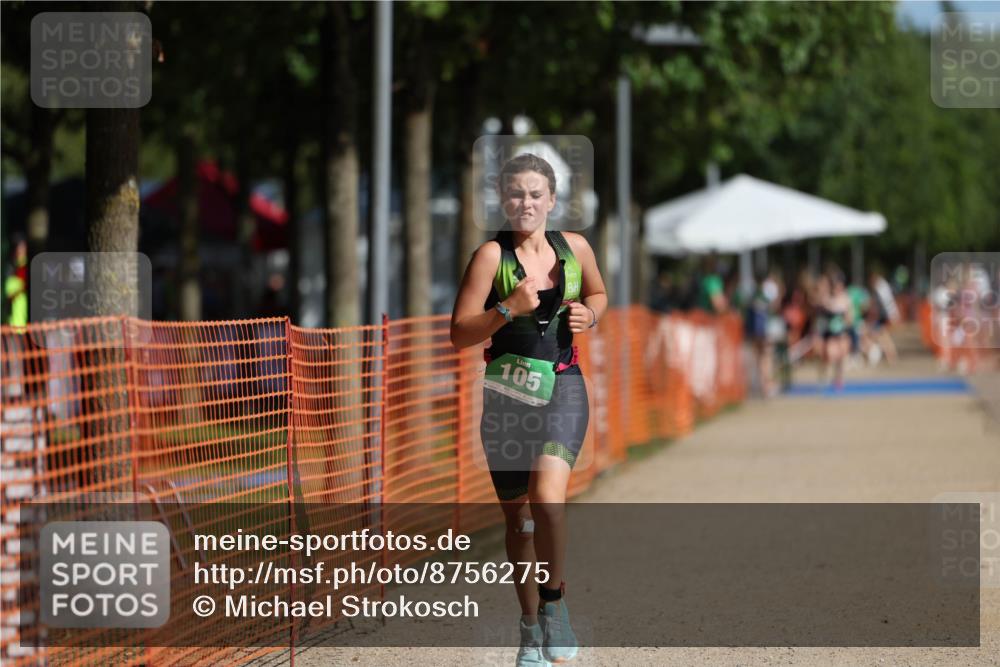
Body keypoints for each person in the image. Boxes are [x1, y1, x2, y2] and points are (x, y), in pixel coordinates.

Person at [451, 154, 607, 667]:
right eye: (516, 193)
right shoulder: (489, 259)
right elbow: (458, 333)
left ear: (553, 200)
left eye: (536, 194)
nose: (526, 203)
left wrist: (591, 313)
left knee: (547, 498)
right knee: (517, 521)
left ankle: (556, 606)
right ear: (502, 196)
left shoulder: (575, 248)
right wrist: (506, 309)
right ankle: (529, 628)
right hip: (507, 398)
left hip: (563, 386)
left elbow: (600, 293)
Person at [814, 269, 853, 389]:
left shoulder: (846, 298)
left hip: (841, 331)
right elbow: (818, 308)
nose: (837, 288)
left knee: (842, 355)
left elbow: (849, 318)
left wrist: (844, 320)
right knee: (828, 356)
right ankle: (823, 377)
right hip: (828, 332)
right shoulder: (826, 298)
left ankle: (839, 379)